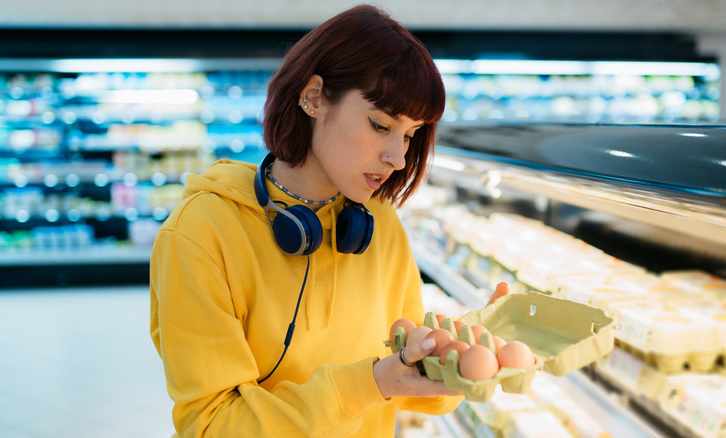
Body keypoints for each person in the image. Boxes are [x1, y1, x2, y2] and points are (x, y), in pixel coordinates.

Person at [150, 5, 508, 437]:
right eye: (380, 125)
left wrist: (448, 353)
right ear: (314, 97)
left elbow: (407, 384)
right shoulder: (200, 234)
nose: (397, 159)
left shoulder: (379, 224)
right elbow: (212, 425)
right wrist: (368, 384)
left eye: (410, 135)